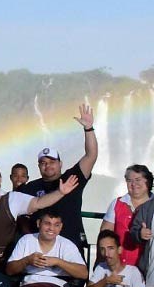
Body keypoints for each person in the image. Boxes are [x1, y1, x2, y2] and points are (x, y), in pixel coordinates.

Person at [16, 103, 98, 252]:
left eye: (52, 162)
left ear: (60, 164)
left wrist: (88, 128)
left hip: (71, 246)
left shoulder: (71, 178)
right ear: (38, 166)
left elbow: (91, 155)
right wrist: (29, 239)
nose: (47, 165)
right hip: (39, 248)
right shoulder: (30, 188)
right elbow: (20, 216)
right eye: (43, 163)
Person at [100, 164, 154, 266]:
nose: (133, 184)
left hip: (147, 267)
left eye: (138, 180)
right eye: (129, 180)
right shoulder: (117, 203)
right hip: (119, 266)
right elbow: (104, 235)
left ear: (148, 181)